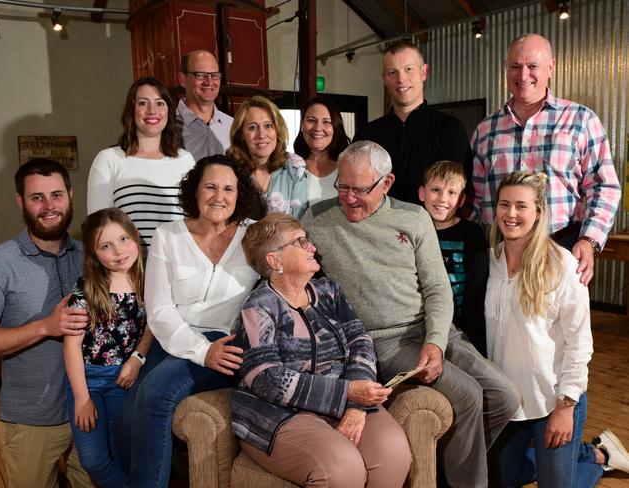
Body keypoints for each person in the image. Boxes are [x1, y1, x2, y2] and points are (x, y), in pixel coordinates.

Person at [301, 141, 519, 488]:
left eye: (360, 189)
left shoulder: (414, 218)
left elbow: (437, 289)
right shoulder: (316, 218)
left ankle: (449, 471)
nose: (349, 197)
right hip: (382, 341)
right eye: (342, 186)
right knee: (467, 394)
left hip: (434, 329)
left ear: (386, 183)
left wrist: (435, 340)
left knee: (505, 396)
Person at [232, 213, 411, 487]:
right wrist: (348, 393)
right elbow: (267, 379)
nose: (312, 246)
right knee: (342, 470)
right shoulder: (258, 306)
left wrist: (354, 405)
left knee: (394, 452)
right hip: (279, 414)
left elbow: (360, 340)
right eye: (300, 242)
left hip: (345, 400)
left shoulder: (329, 291)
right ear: (274, 260)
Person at [116, 155, 259, 487]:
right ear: (194, 190)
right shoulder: (167, 235)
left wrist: (210, 351)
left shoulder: (253, 235)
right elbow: (160, 310)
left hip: (222, 343)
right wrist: (198, 350)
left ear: (239, 195)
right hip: (171, 341)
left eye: (228, 188)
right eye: (209, 186)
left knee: (154, 394)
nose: (218, 196)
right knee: (125, 420)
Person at [486, 171, 629, 486]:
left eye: (521, 206)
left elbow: (580, 344)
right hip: (508, 404)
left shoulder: (562, 266)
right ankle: (589, 453)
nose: (511, 214)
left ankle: (593, 457)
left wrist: (565, 407)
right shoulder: (490, 261)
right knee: (502, 480)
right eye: (504, 204)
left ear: (538, 212)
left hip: (553, 400)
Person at [469, 33, 621, 286]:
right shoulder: (486, 130)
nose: (523, 74)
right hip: (501, 252)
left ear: (551, 67)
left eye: (532, 66)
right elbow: (473, 198)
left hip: (563, 245)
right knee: (500, 323)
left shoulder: (581, 120)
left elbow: (603, 186)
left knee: (562, 325)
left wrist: (589, 240)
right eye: (515, 67)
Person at [0, 159, 93, 488]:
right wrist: (45, 326)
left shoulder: (91, 256)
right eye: (36, 198)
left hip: (90, 413)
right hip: (30, 420)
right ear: (20, 201)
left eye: (56, 195)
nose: (48, 206)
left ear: (70, 195)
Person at [64, 208, 154, 487]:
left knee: (121, 453)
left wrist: (138, 357)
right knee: (93, 461)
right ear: (93, 253)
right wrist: (81, 398)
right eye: (106, 245)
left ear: (136, 237)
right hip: (86, 380)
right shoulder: (87, 289)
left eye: (124, 239)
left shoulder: (149, 282)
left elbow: (155, 324)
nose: (119, 251)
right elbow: (71, 347)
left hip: (122, 381)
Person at [353, 40, 471, 206]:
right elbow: (357, 188)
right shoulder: (367, 135)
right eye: (392, 72)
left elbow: (452, 193)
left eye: (409, 69)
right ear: (385, 79)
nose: (401, 79)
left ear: (424, 72)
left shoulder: (450, 130)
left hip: (432, 230)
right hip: (377, 229)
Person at [87, 76, 196, 248]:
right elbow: (98, 229)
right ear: (131, 110)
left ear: (169, 110)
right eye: (143, 103)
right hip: (130, 269)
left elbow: (195, 223)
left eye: (160, 103)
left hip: (178, 267)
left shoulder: (185, 160)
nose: (152, 110)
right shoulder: (108, 160)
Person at [418, 160, 488, 356]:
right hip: (421, 331)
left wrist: (469, 337)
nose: (442, 199)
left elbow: (476, 293)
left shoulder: (472, 234)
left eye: (451, 193)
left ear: (462, 199)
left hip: (463, 332)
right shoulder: (413, 230)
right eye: (436, 190)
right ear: (422, 193)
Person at [228, 95, 308, 219]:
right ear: (241, 134)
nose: (261, 135)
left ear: (277, 129)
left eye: (268, 126)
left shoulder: (295, 166)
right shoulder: (229, 169)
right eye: (252, 127)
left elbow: (300, 220)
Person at [178, 49, 233, 162]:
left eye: (214, 75)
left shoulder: (233, 126)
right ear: (183, 79)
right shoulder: (166, 127)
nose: (209, 82)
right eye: (200, 75)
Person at [293, 96, 350, 205]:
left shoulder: (349, 167)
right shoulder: (290, 167)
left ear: (336, 127)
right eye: (311, 120)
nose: (318, 128)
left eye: (326, 122)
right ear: (302, 125)